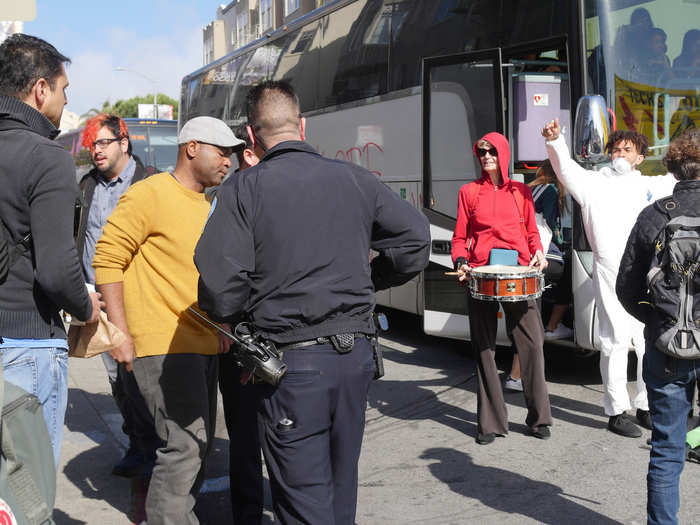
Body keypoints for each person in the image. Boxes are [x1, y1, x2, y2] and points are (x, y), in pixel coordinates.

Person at [195, 80, 430, 525]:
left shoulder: (244, 189)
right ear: (302, 125)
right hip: (355, 357)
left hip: (292, 367)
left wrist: (248, 311)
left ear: (250, 136)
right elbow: (415, 240)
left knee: (305, 506)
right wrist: (368, 280)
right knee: (341, 493)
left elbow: (219, 289)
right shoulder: (355, 179)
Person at [93, 116, 242, 525]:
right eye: (221, 151)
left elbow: (197, 277)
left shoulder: (207, 204)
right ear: (192, 147)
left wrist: (222, 326)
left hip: (201, 343)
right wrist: (120, 333)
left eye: (231, 153)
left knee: (196, 448)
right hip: (163, 346)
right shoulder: (151, 193)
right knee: (182, 450)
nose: (228, 161)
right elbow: (107, 259)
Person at [0, 34, 103, 465]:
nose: (63, 102)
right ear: (40, 89)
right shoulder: (47, 157)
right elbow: (58, 273)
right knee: (24, 498)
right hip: (28, 344)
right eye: (63, 90)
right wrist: (88, 306)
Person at [542, 118, 676, 438]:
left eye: (627, 150)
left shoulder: (651, 186)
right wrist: (556, 141)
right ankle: (616, 411)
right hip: (610, 270)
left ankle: (644, 405)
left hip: (646, 273)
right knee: (614, 340)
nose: (619, 154)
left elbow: (683, 180)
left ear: (639, 158)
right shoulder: (592, 183)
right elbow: (565, 170)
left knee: (647, 342)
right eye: (615, 149)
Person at [616, 128, 700, 525]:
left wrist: (656, 321)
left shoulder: (655, 214)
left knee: (667, 449)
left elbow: (626, 287)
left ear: (672, 167)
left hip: (667, 344)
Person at [74, 113, 161, 480]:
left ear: (124, 143)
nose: (96, 151)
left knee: (140, 376)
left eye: (104, 143)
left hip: (138, 298)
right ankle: (137, 444)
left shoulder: (150, 181)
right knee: (117, 379)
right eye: (93, 145)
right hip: (99, 301)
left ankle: (154, 447)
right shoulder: (87, 186)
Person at [451, 132, 552, 444]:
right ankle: (491, 423)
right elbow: (458, 238)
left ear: (503, 155)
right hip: (480, 274)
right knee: (484, 348)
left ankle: (538, 419)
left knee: (533, 343)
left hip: (519, 274)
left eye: (492, 152)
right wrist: (460, 262)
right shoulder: (468, 192)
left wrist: (539, 255)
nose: (486, 158)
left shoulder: (520, 191)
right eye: (482, 153)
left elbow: (532, 233)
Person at [216, 124, 265, 524]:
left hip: (270, 332)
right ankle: (248, 514)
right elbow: (220, 272)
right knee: (247, 433)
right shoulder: (228, 198)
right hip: (243, 334)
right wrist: (227, 326)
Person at [505, 159, 571, 392]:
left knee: (527, 317)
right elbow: (550, 225)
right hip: (538, 257)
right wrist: (562, 244)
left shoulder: (530, 187)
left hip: (520, 256)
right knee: (564, 271)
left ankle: (551, 328)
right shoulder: (552, 189)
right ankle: (552, 326)